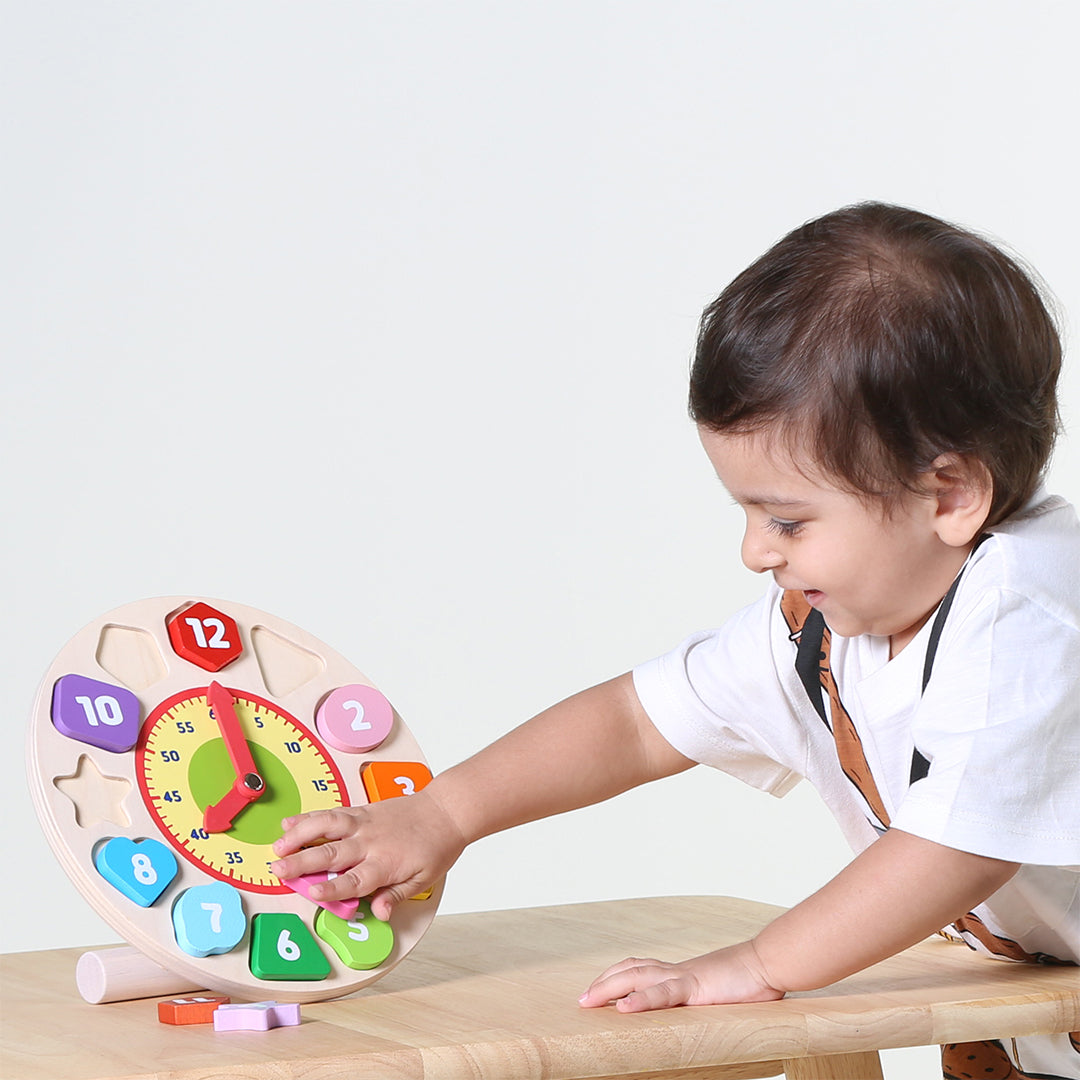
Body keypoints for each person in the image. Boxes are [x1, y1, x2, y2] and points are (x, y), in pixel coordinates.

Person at [271, 203, 1079, 1079]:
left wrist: (760, 965)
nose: (754, 552)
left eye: (787, 519)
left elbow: (951, 852)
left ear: (948, 495)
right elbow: (636, 721)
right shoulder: (826, 627)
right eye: (748, 514)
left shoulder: (1026, 610)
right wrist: (443, 815)